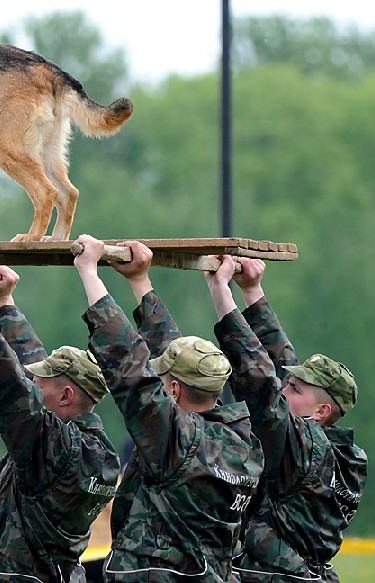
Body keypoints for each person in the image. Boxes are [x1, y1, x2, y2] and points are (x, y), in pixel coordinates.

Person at [73, 236, 264, 581]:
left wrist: (90, 272)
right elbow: (173, 356)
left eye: (162, 383)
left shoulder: (175, 442)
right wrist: (139, 280)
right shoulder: (241, 439)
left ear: (174, 390)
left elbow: (127, 365)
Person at [0, 263, 120, 582]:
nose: (34, 385)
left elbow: (9, 382)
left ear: (66, 395)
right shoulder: (100, 451)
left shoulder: (55, 447)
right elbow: (29, 366)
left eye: (41, 382)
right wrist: (4, 302)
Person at [207, 255, 368, 582]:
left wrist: (221, 292)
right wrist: (252, 290)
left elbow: (261, 385)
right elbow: (279, 370)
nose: (284, 391)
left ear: (320, 412)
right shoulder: (343, 453)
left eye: (295, 389)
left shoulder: (305, 451)